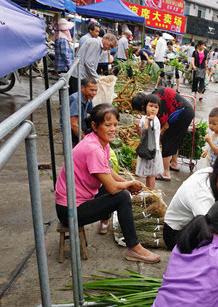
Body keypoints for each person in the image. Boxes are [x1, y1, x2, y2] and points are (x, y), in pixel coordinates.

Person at [55, 104, 161, 263]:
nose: (113, 129)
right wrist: (128, 185)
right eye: (107, 125)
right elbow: (112, 187)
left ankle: (104, 221)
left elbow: (107, 171)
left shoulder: (99, 141)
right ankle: (134, 248)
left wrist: (127, 182)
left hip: (75, 200)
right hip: (69, 211)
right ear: (94, 126)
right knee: (122, 196)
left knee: (117, 189)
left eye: (115, 124)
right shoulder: (94, 149)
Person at [163, 153, 218, 250]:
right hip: (177, 234)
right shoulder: (201, 194)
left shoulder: (216, 172)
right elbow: (212, 232)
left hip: (196, 225)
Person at [131, 88, 194, 180]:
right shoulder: (154, 98)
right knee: (175, 139)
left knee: (167, 140)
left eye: (141, 111)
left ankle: (166, 173)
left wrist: (159, 136)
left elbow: (165, 125)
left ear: (142, 106)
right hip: (186, 111)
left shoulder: (156, 104)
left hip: (183, 113)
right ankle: (174, 164)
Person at [135, 94, 164, 189]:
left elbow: (146, 131)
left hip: (152, 151)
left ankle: (151, 192)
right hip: (146, 148)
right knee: (148, 174)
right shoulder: (144, 118)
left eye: (156, 107)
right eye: (151, 106)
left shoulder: (154, 120)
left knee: (151, 175)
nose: (153, 109)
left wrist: (147, 122)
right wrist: (137, 127)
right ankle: (148, 191)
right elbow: (141, 135)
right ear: (144, 106)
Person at [64, 76, 98, 146]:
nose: (94, 93)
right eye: (91, 90)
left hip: (81, 125)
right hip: (72, 131)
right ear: (82, 88)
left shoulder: (88, 99)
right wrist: (84, 139)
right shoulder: (76, 100)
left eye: (96, 90)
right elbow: (73, 124)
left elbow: (94, 113)